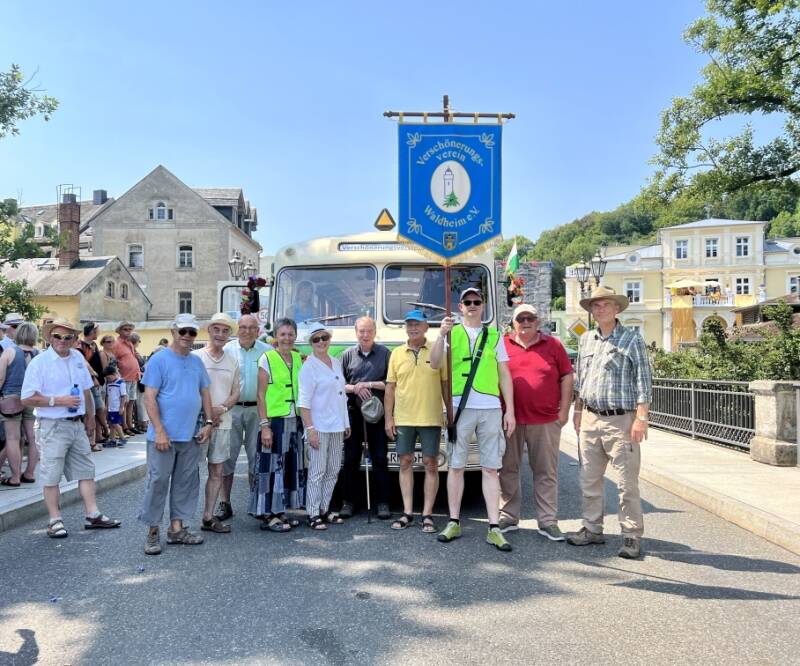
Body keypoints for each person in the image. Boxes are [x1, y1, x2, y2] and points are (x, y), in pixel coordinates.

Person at [566, 286, 653, 559]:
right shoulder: (586, 340)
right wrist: (578, 411)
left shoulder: (631, 339)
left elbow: (643, 380)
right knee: (589, 479)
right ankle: (592, 529)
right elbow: (581, 379)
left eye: (605, 305)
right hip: (591, 417)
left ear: (617, 309)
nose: (600, 309)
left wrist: (641, 418)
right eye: (595, 306)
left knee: (627, 483)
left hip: (621, 420)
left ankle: (631, 535)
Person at [431, 287, 516, 552]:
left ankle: (493, 528)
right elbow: (434, 364)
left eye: (476, 301)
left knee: (491, 468)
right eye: (467, 302)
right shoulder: (451, 332)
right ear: (460, 306)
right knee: (455, 466)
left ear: (483, 306)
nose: (472, 305)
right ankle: (454, 521)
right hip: (459, 406)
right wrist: (440, 335)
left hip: (490, 406)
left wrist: (509, 409)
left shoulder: (494, 335)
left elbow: (504, 373)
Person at [20, 318, 120, 538]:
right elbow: (27, 398)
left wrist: (91, 417)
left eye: (68, 337)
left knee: (86, 470)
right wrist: (59, 401)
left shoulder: (76, 357)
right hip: (52, 425)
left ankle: (92, 514)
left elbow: (86, 389)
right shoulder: (40, 363)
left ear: (75, 339)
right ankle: (54, 520)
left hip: (76, 424)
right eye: (57, 336)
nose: (62, 341)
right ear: (49, 338)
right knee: (51, 474)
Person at [139, 313, 215, 555]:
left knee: (185, 483)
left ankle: (177, 529)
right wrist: (159, 430)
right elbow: (149, 397)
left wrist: (209, 422)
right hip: (163, 437)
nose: (187, 336)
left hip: (190, 435)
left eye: (192, 332)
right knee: (158, 481)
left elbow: (205, 394)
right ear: (173, 332)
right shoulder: (159, 360)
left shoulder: (196, 362)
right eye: (183, 331)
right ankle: (152, 531)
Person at [498, 304, 574, 541]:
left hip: (545, 419)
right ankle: (508, 516)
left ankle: (548, 521)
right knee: (508, 469)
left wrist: (564, 411)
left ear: (538, 322)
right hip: (510, 419)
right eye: (520, 318)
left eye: (530, 317)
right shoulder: (502, 344)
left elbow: (567, 376)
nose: (525, 322)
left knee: (545, 471)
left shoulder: (553, 345)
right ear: (513, 323)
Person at [384, 310, 446, 533]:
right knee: (405, 462)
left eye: (417, 324)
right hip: (404, 418)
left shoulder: (439, 351)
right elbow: (390, 388)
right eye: (409, 324)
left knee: (431, 464)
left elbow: (445, 383)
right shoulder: (397, 354)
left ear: (426, 327)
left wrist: (450, 412)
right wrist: (388, 418)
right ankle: (408, 512)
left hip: (430, 417)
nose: (413, 328)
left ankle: (427, 514)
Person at [249, 318, 306, 531]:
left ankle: (281, 510)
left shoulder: (298, 358)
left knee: (289, 466)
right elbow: (260, 395)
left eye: (291, 334)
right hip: (274, 421)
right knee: (271, 467)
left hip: (295, 419)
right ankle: (267, 515)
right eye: (283, 334)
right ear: (276, 337)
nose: (287, 338)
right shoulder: (267, 358)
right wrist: (264, 425)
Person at [218, 314, 273, 521]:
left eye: (252, 327)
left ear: (258, 330)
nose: (247, 331)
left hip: (256, 410)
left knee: (256, 457)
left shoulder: (267, 352)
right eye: (243, 327)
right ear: (237, 329)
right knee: (226, 458)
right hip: (231, 411)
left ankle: (256, 502)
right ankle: (225, 503)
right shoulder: (227, 350)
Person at [297, 321, 350, 530]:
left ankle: (324, 508)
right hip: (318, 426)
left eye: (324, 338)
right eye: (316, 339)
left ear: (329, 340)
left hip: (337, 425)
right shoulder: (308, 366)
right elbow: (304, 402)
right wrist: (310, 430)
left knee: (333, 470)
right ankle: (312, 512)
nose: (321, 342)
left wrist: (346, 422)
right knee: (317, 471)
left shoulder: (336, 362)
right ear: (311, 343)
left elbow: (342, 396)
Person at [192, 313, 240, 534]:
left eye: (225, 331)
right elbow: (191, 390)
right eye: (216, 330)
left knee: (217, 470)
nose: (220, 334)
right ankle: (180, 520)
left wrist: (223, 408)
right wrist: (208, 412)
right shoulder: (196, 357)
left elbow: (236, 391)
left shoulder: (232, 360)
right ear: (209, 331)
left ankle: (208, 517)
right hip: (198, 423)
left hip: (223, 422)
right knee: (188, 471)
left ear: (229, 334)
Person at [339, 316, 391, 520]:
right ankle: (348, 502)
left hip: (377, 414)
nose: (365, 334)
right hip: (353, 413)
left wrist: (368, 384)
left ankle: (383, 502)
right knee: (351, 459)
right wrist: (355, 387)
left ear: (375, 332)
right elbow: (339, 384)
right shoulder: (347, 355)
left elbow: (390, 383)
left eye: (369, 330)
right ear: (356, 332)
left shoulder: (385, 354)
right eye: (361, 331)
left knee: (379, 458)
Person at [0, 322, 40, 483]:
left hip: (11, 398)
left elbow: (1, 378)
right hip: (33, 398)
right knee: (33, 438)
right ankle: (30, 473)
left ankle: (15, 477)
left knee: (12, 438)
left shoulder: (9, 352)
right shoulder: (39, 354)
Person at [80, 322, 110, 449]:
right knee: (94, 409)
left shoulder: (93, 345)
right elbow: (84, 364)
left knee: (99, 409)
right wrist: (93, 377)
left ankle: (99, 436)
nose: (99, 333)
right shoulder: (81, 346)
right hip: (89, 382)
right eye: (97, 331)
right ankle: (104, 430)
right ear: (92, 331)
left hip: (97, 381)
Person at [111, 321, 142, 437]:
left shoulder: (129, 343)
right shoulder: (116, 344)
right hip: (124, 378)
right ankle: (124, 426)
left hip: (134, 376)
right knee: (124, 403)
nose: (128, 331)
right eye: (125, 329)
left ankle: (129, 425)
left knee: (131, 403)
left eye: (130, 329)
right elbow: (113, 361)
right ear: (119, 331)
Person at [103, 366, 127, 447]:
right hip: (110, 407)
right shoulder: (109, 383)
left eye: (109, 377)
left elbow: (124, 396)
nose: (108, 380)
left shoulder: (121, 383)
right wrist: (106, 406)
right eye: (107, 378)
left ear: (114, 374)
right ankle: (113, 440)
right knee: (111, 424)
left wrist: (121, 407)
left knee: (115, 424)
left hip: (116, 408)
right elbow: (107, 396)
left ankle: (122, 438)